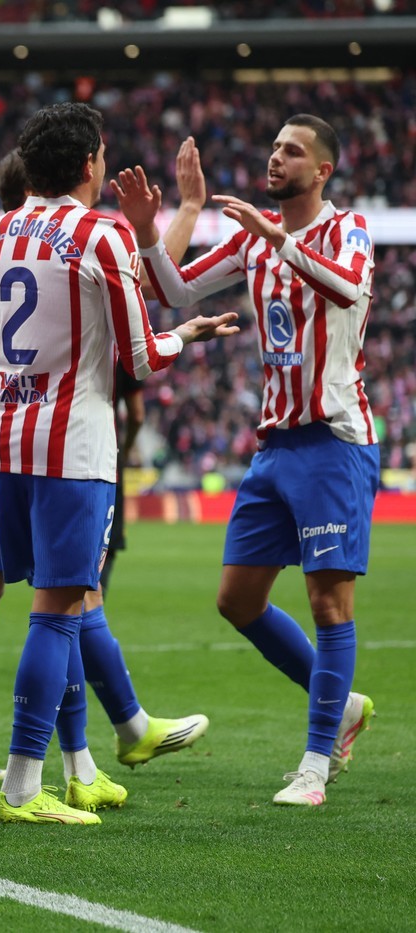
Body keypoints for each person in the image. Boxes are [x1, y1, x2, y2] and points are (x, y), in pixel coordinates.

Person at [0, 103, 237, 826]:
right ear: (90, 163)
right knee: (59, 611)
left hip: (4, 439)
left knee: (56, 603)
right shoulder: (100, 234)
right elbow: (140, 357)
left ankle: (82, 765)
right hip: (72, 445)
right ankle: (22, 787)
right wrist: (185, 334)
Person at [123, 113, 378, 807]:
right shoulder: (251, 240)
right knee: (236, 600)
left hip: (333, 441)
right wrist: (152, 230)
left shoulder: (347, 229)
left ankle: (315, 767)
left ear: (322, 171)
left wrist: (278, 238)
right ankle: (343, 704)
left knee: (329, 603)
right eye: (273, 148)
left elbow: (349, 288)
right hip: (276, 445)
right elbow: (174, 291)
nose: (275, 158)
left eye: (292, 152)